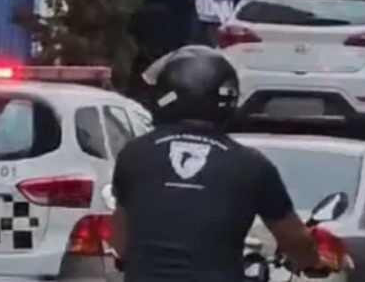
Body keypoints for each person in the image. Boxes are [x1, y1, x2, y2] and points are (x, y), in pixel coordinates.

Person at [110, 45, 341, 282]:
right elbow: (294, 239)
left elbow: (121, 242)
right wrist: (313, 262)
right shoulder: (250, 165)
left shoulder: (134, 154)